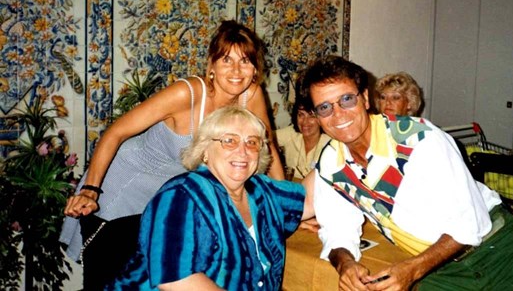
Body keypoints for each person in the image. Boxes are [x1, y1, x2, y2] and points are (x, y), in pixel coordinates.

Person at [60, 20, 285, 290]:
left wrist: (282, 202)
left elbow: (266, 146)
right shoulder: (186, 94)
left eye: (245, 61)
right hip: (124, 189)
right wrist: (91, 189)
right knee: (108, 278)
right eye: (226, 60)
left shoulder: (251, 95)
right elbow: (115, 133)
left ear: (255, 68)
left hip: (167, 199)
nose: (237, 71)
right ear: (211, 66)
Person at [299, 55, 513, 291]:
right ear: (317, 116)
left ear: (364, 98)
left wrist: (412, 269)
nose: (338, 114)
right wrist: (346, 263)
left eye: (346, 99)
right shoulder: (331, 164)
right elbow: (337, 228)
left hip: (500, 250)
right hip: (440, 268)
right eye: (324, 107)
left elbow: (469, 224)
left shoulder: (419, 140)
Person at [107, 106, 313, 290]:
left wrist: (340, 145)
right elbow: (175, 281)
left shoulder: (260, 189)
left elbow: (310, 201)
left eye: (252, 142)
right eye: (229, 141)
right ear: (205, 151)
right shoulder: (181, 195)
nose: (243, 151)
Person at [275, 98, 330, 179]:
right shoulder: (291, 133)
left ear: (320, 119)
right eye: (301, 115)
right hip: (292, 189)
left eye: (311, 116)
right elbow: (264, 136)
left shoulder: (331, 144)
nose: (305, 122)